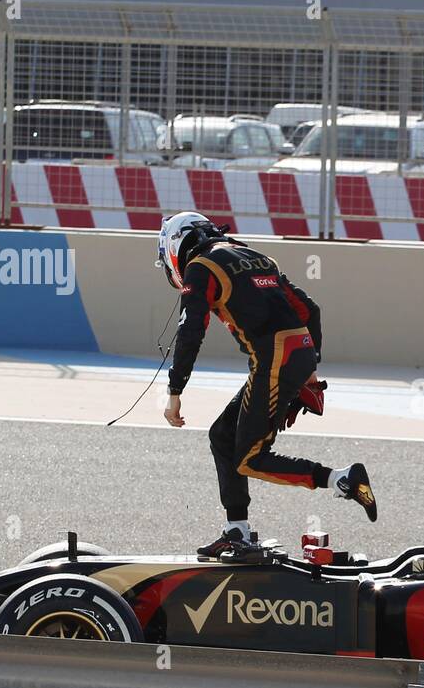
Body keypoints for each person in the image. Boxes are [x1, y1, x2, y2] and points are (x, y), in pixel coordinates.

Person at [157, 211, 376, 559]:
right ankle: (237, 532)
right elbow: (309, 310)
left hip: (275, 358)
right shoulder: (256, 256)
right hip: (293, 355)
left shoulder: (201, 267)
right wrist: (310, 371)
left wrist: (174, 393)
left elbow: (190, 332)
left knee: (249, 459)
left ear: (175, 246)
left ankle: (342, 478)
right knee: (222, 436)